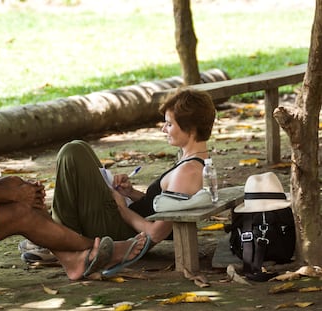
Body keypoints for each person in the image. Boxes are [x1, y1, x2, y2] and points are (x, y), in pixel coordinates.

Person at [0, 49, 150, 281]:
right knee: (22, 213)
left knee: (17, 186)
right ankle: (103, 249)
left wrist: (18, 189)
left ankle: (72, 261)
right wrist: (14, 196)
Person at [20, 87, 216, 272]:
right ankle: (56, 234)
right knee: (80, 148)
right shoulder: (192, 161)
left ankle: (57, 240)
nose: (164, 129)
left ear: (190, 129)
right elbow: (164, 207)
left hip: (125, 234)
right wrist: (130, 193)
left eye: (170, 124)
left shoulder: (188, 172)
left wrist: (122, 208)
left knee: (71, 152)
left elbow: (156, 233)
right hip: (125, 221)